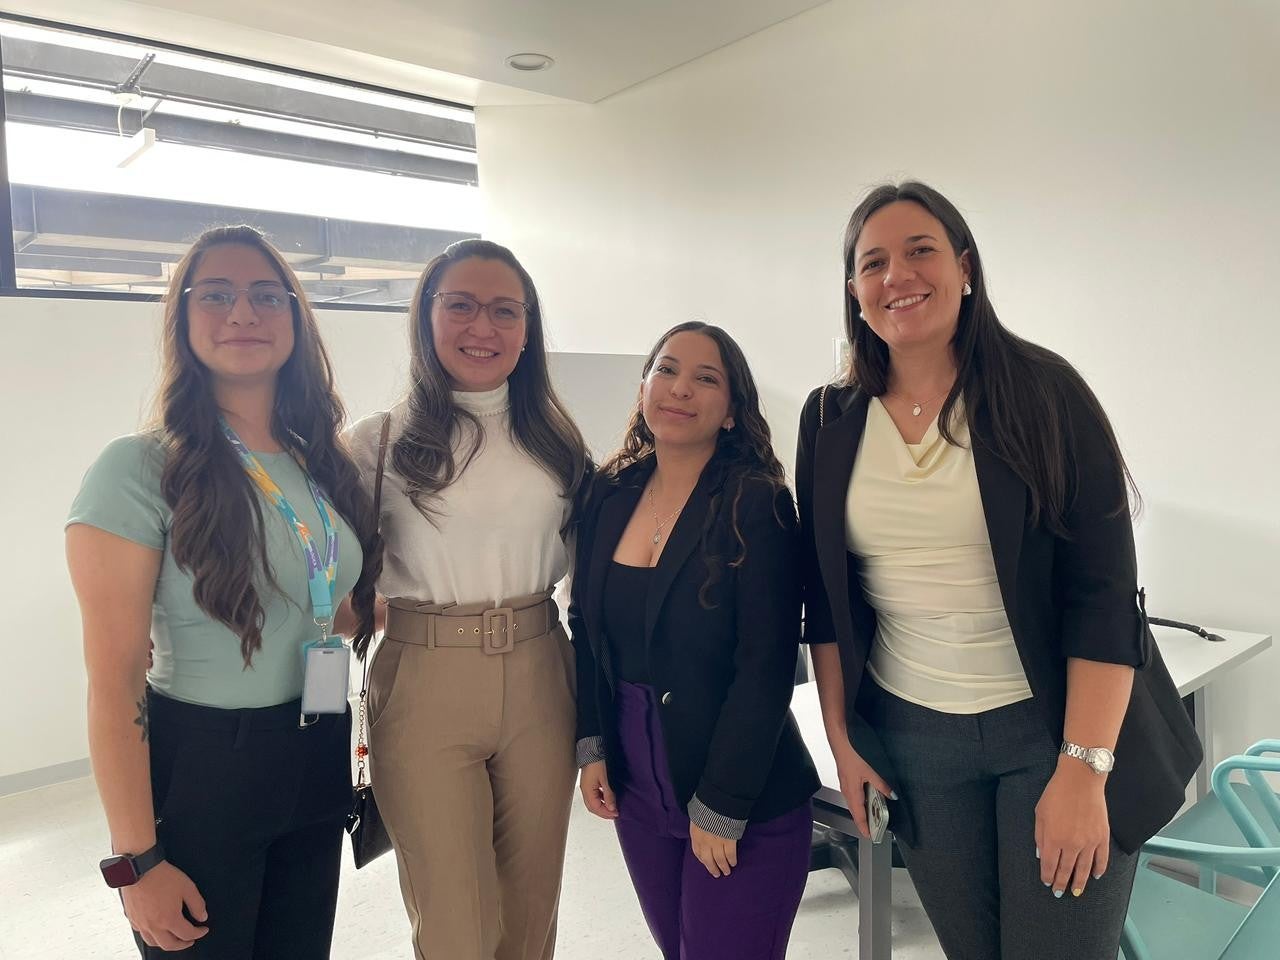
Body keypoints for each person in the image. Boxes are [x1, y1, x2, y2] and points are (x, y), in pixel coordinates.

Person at [795, 182, 1202, 960]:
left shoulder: (1044, 393)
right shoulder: (827, 418)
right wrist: (843, 741)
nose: (897, 276)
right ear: (854, 290)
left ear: (966, 268)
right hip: (914, 738)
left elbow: (1104, 597)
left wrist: (1085, 772)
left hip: (1050, 730)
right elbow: (826, 601)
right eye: (873, 261)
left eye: (921, 251)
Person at [66, 225, 381, 958]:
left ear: (296, 321)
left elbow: (321, 602)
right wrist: (136, 862)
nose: (243, 313)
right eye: (217, 294)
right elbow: (113, 684)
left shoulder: (317, 462)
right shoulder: (138, 470)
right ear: (182, 318)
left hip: (313, 752)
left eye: (267, 296)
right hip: (207, 770)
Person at [341, 238, 589, 960]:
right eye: (461, 306)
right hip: (424, 680)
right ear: (426, 315)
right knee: (456, 922)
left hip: (543, 672)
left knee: (530, 910)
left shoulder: (557, 440)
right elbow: (329, 576)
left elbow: (593, 572)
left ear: (528, 327)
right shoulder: (375, 442)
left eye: (504, 311)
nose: (483, 327)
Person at [571, 321, 820, 960]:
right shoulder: (609, 491)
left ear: (733, 410)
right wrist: (592, 743)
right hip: (637, 783)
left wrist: (721, 804)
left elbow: (766, 664)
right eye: (667, 369)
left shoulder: (755, 503)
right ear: (645, 385)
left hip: (739, 790)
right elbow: (585, 628)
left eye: (706, 378)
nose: (680, 389)